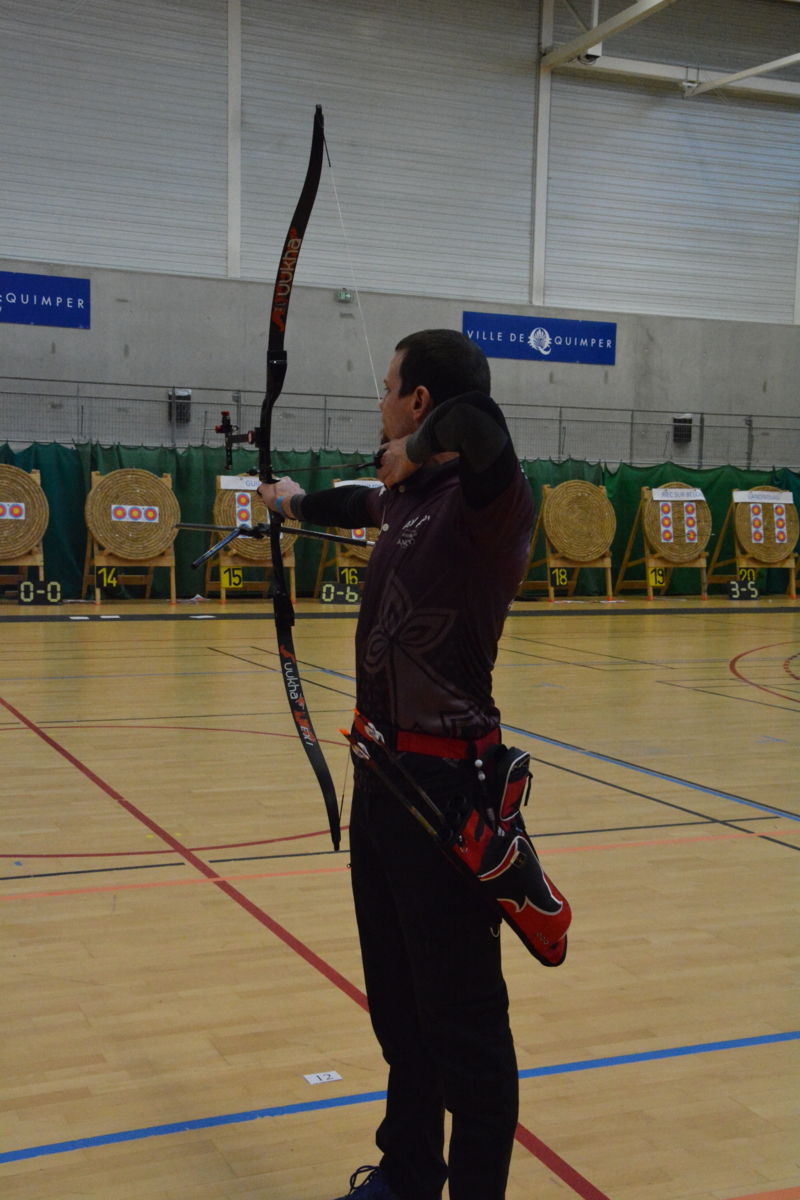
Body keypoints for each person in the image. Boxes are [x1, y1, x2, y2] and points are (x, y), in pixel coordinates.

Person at [258, 329, 534, 1200]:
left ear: (420, 403)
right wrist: (293, 503)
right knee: (402, 1015)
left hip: (447, 794)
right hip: (382, 783)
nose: (379, 404)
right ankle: (409, 1175)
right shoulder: (411, 499)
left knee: (467, 1032)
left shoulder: (489, 501)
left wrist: (409, 454)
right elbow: (357, 502)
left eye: (388, 389)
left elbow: (480, 421)